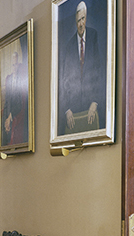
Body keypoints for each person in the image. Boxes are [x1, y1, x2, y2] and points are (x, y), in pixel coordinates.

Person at [58, 0, 106, 136]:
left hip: (91, 104)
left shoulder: (94, 36)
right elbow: (65, 78)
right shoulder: (69, 46)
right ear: (75, 20)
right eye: (78, 20)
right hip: (74, 108)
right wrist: (67, 110)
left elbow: (99, 71)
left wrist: (95, 102)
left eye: (83, 19)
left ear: (87, 18)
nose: (80, 24)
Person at [1, 49, 28, 146]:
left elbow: (20, 102)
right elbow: (7, 100)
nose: (14, 67)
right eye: (13, 65)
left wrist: (10, 117)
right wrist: (6, 118)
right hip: (8, 111)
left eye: (16, 64)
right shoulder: (8, 79)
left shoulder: (22, 80)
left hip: (17, 112)